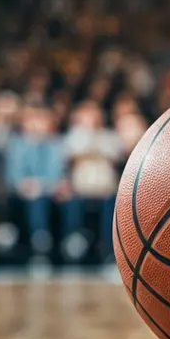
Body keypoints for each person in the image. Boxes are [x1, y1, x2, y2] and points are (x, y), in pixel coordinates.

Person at [62, 101, 122, 262]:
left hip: (105, 191)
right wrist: (87, 134)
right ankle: (74, 248)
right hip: (80, 191)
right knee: (72, 206)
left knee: (111, 211)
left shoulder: (109, 136)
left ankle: (108, 251)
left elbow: (114, 156)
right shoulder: (74, 136)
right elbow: (71, 155)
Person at [5, 105, 66, 263]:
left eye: (42, 120)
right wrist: (25, 185)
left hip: (47, 194)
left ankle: (40, 242)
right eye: (33, 120)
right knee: (33, 199)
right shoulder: (16, 145)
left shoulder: (56, 145)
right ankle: (36, 240)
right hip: (20, 194)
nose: (37, 125)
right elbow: (12, 177)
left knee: (39, 199)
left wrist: (39, 185)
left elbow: (56, 176)